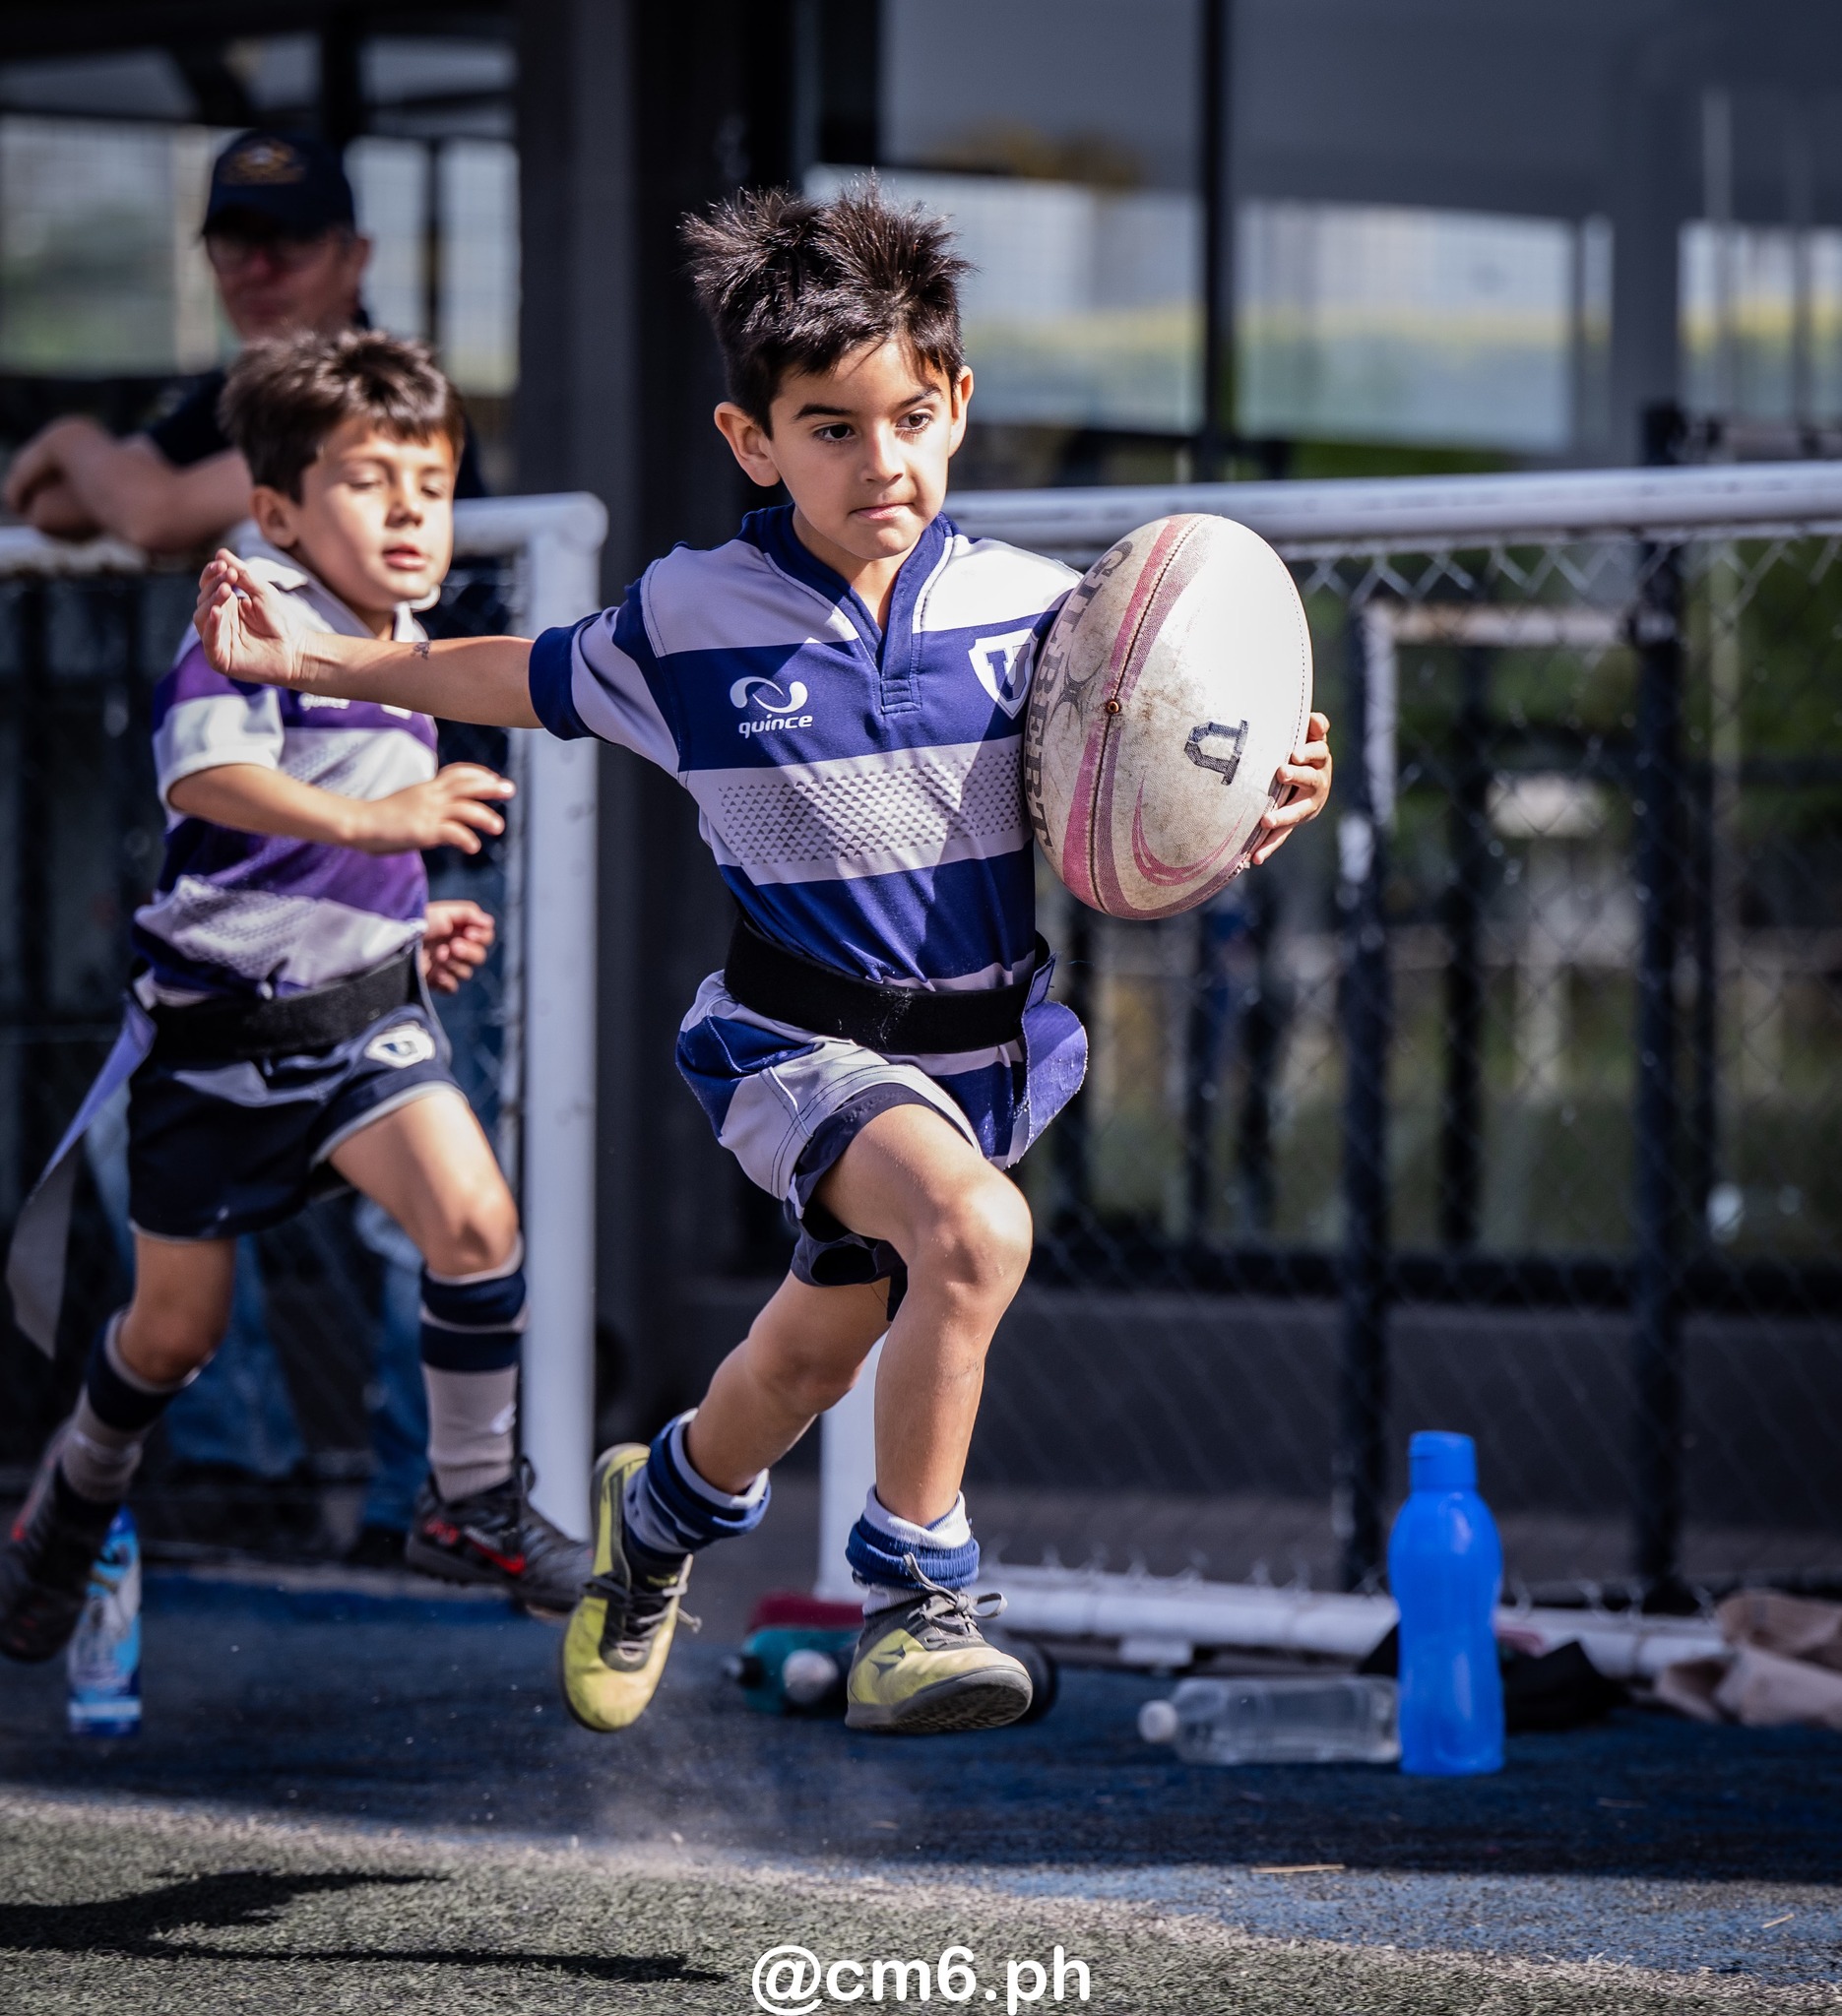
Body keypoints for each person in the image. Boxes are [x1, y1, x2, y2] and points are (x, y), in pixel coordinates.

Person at [185, 186, 1335, 1736]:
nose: (884, 462)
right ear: (752, 441)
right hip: (794, 1053)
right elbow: (505, 674)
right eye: (832, 430)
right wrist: (308, 655)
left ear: (959, 405)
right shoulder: (687, 619)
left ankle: (653, 1517)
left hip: (977, 1059)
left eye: (912, 418)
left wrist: (1246, 801)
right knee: (977, 1239)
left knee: (794, 1367)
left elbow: (1139, 816)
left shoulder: (1049, 624)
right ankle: (920, 1599)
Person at [0, 330, 588, 1664]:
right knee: (171, 1337)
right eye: (370, 484)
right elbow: (209, 786)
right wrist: (389, 838)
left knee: (475, 1216)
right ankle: (76, 1493)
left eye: (428, 489)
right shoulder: (253, 617)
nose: (407, 516)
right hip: (212, 1047)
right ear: (276, 511)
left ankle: (471, 1497)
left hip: (354, 1029)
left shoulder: (406, 649)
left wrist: (399, 914)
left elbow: (320, 847)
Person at [3, 129, 480, 552]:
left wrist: (69, 439)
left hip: (419, 651)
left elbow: (151, 517)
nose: (257, 271)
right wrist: (115, 482)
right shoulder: (248, 390)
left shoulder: (381, 389)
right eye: (234, 244)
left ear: (355, 257)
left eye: (291, 241)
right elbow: (53, 505)